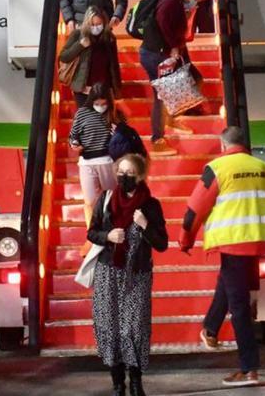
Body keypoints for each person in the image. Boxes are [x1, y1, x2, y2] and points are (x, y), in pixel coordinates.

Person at [179, 126, 265, 387]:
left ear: (222, 145)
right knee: (227, 285)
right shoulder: (264, 167)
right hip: (257, 240)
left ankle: (249, 369)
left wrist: (186, 238)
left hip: (232, 241)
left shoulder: (217, 168)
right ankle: (210, 329)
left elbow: (195, 207)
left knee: (239, 307)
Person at [88, 153, 168, 396]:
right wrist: (107, 236)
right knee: (109, 327)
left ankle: (136, 382)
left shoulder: (150, 205)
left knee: (133, 329)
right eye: (120, 172)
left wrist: (145, 225)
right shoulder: (106, 199)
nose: (124, 177)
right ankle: (117, 384)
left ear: (141, 176)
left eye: (130, 173)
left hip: (137, 276)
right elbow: (92, 232)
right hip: (108, 273)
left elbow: (162, 243)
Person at [139, 0, 208, 157]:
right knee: (161, 95)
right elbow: (164, 25)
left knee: (195, 78)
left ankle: (171, 117)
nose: (197, 2)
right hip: (157, 54)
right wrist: (173, 47)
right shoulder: (171, 2)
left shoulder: (177, 0)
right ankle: (157, 140)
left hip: (164, 51)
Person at [69, 83, 121, 224]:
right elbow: (73, 136)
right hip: (86, 162)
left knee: (112, 198)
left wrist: (117, 133)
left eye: (103, 103)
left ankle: (112, 226)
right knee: (90, 200)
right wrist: (75, 145)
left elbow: (125, 136)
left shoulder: (115, 113)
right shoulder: (82, 113)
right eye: (96, 103)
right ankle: (93, 232)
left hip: (108, 161)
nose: (100, 106)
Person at [59, 6, 122, 107]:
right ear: (87, 23)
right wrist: (80, 45)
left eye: (98, 24)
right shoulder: (78, 34)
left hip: (103, 89)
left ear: (104, 23)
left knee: (103, 121)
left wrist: (116, 88)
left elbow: (114, 65)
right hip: (83, 89)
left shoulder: (109, 38)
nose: (95, 27)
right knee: (86, 119)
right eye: (92, 24)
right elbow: (64, 57)